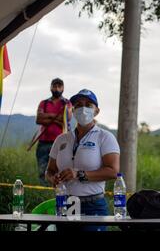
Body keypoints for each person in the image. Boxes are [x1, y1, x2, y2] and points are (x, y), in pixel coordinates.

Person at [45, 89, 120, 231]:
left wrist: (79, 174)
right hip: (64, 203)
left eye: (88, 105)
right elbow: (49, 170)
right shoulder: (61, 139)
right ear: (73, 111)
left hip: (92, 206)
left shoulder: (105, 137)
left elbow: (113, 171)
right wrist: (52, 178)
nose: (83, 108)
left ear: (96, 111)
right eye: (78, 105)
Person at [35, 78, 72, 185]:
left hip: (62, 143)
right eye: (54, 86)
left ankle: (59, 193)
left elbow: (66, 119)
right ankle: (44, 193)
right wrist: (56, 117)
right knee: (43, 171)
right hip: (43, 142)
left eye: (59, 86)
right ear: (50, 87)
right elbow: (39, 119)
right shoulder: (44, 103)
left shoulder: (67, 103)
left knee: (60, 170)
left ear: (63, 88)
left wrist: (48, 117)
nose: (56, 88)